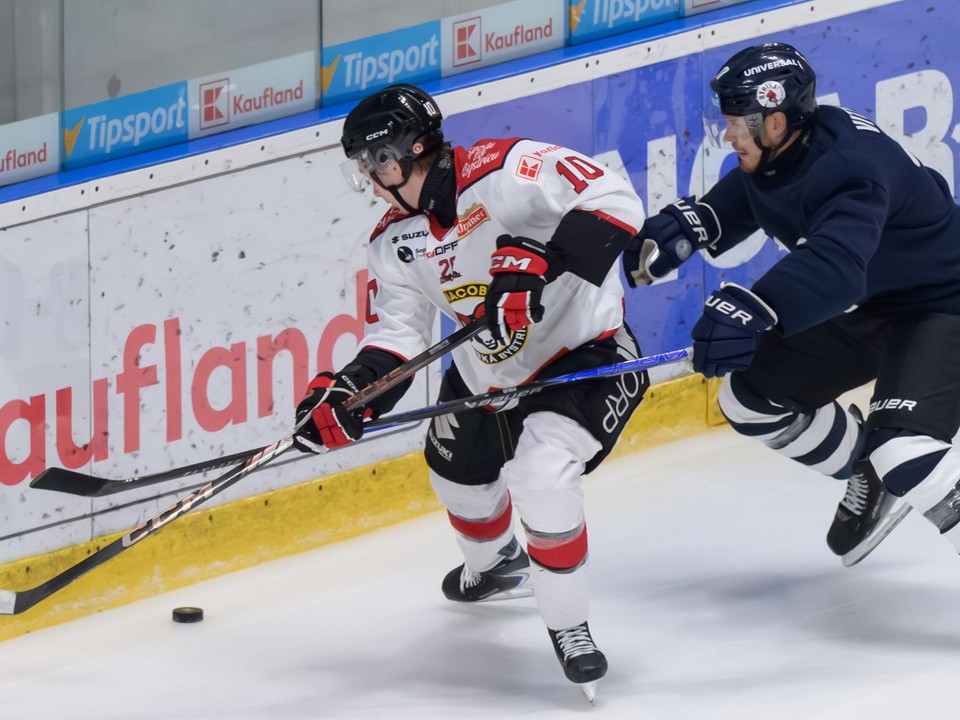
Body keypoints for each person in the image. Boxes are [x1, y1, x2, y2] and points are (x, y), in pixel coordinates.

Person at [293, 83, 649, 699]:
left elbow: (615, 199)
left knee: (542, 477)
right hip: (490, 380)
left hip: (584, 358)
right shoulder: (392, 242)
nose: (369, 182)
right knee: (453, 470)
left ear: (399, 155)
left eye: (370, 165)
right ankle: (496, 565)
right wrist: (351, 395)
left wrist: (543, 262)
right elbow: (398, 338)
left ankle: (570, 627)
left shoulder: (507, 170)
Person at [623, 40, 960, 567]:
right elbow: (766, 192)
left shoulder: (851, 166)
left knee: (906, 453)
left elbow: (839, 269)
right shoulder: (791, 149)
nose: (728, 132)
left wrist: (757, 305)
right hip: (877, 306)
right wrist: (704, 220)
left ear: (776, 121)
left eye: (739, 120)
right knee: (749, 397)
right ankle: (867, 470)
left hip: (943, 304)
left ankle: (886, 461)